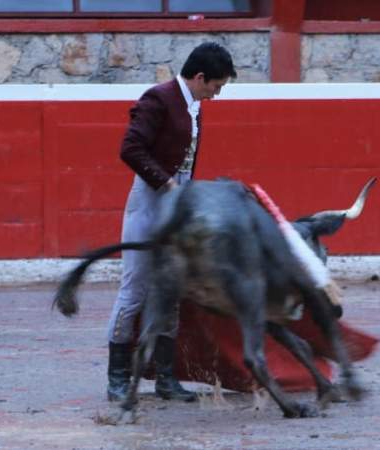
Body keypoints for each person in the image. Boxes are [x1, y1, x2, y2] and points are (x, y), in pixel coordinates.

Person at [105, 42, 236, 403]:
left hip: (177, 206)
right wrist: (166, 183)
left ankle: (165, 378)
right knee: (135, 290)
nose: (216, 94)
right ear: (199, 77)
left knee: (173, 292)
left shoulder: (192, 105)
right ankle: (117, 378)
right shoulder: (158, 98)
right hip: (149, 203)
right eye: (215, 86)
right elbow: (130, 148)